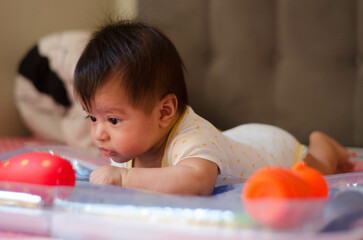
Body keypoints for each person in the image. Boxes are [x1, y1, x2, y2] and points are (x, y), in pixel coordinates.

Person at [73, 20, 354, 195]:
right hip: (237, 138)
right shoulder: (129, 147)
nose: (98, 134)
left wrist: (126, 178)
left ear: (164, 112)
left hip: (272, 150)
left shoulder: (193, 138)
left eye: (112, 120)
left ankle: (323, 145)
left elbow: (196, 182)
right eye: (92, 117)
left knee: (315, 174)